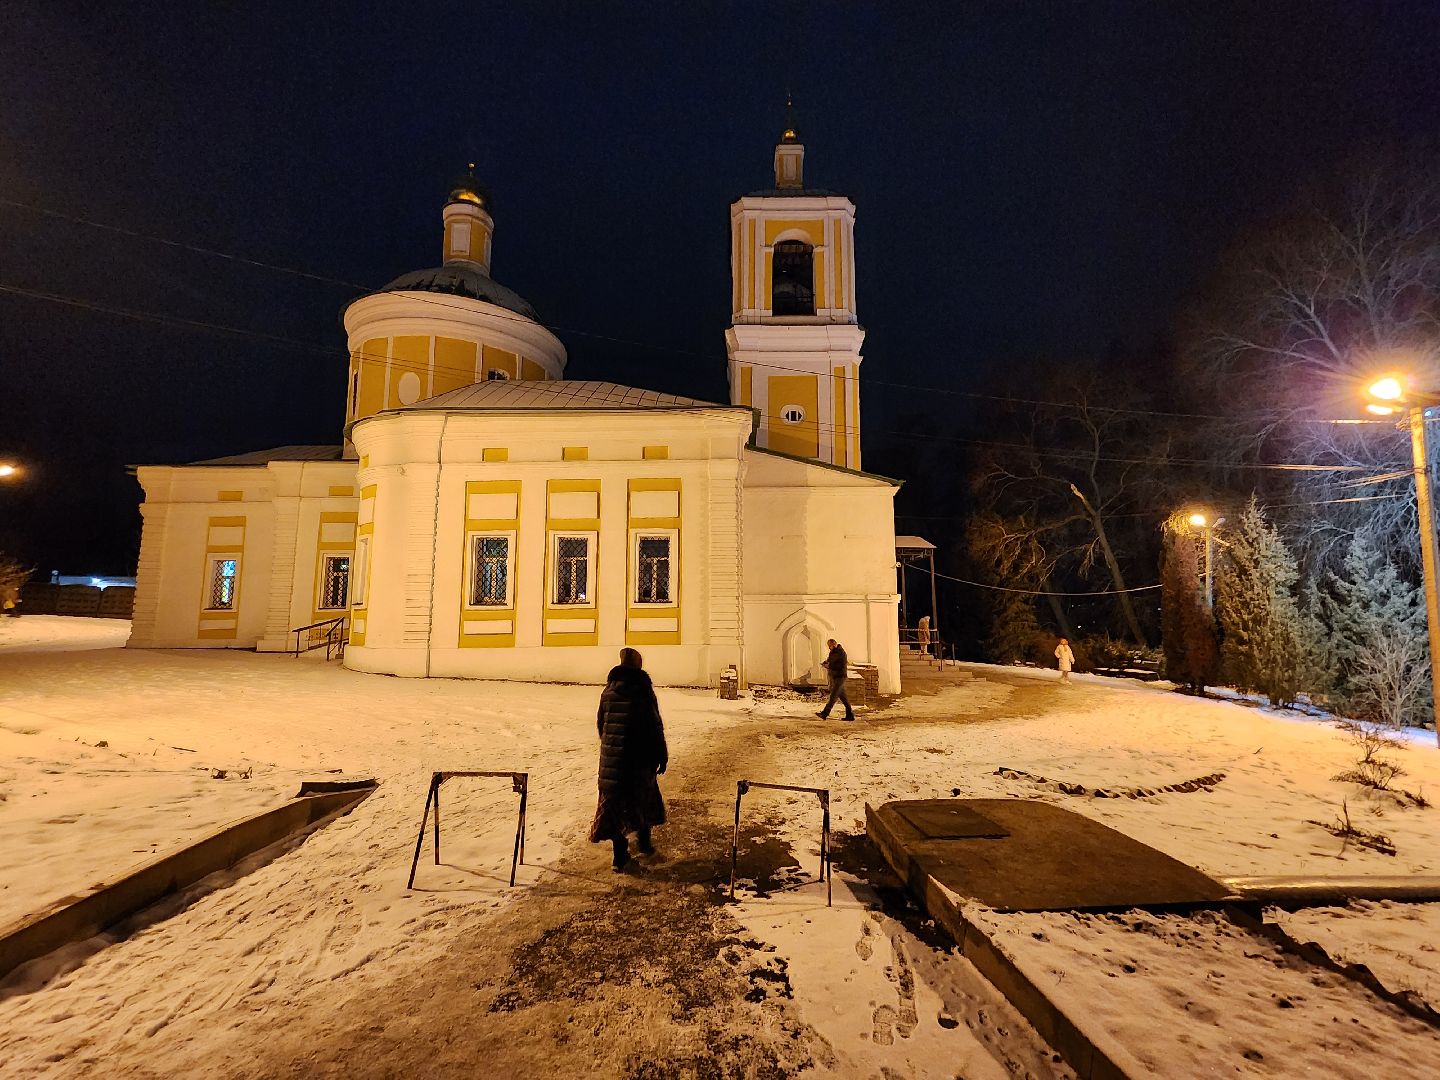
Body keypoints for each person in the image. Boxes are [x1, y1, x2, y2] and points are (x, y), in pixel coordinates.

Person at [588, 647, 669, 872]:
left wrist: (612, 748)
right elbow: (654, 726)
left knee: (615, 807)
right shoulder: (642, 690)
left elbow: (601, 725)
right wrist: (661, 755)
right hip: (639, 761)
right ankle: (644, 845)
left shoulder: (608, 691)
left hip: (613, 762)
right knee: (643, 800)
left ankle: (620, 857)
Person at [816, 638, 856, 721]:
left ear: (833, 645)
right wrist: (826, 662)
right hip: (836, 676)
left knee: (833, 696)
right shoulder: (833, 652)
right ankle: (850, 715)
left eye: (830, 646)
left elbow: (839, 665)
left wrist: (829, 666)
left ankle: (825, 713)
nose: (829, 648)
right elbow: (831, 660)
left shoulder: (841, 653)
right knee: (844, 698)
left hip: (840, 677)